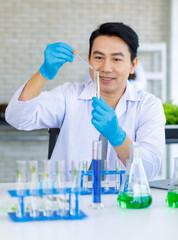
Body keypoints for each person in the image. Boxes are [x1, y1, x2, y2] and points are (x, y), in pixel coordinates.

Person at [5, 22, 165, 180]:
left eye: (116, 59)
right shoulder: (69, 95)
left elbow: (149, 170)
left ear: (133, 65)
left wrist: (118, 136)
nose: (106, 68)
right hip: (67, 200)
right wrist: (44, 72)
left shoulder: (149, 106)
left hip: (123, 202)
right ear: (88, 59)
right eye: (98, 57)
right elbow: (18, 118)